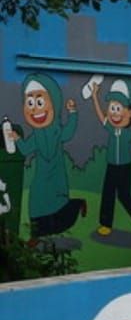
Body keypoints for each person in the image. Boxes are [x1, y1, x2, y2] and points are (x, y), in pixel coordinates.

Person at [19, 78, 84, 239]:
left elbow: (69, 132)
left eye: (40, 102)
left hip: (56, 176)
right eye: (30, 103)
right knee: (36, 200)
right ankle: (36, 234)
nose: (35, 109)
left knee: (58, 203)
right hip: (41, 177)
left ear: (54, 103)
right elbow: (25, 149)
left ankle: (77, 204)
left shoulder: (57, 131)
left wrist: (73, 113)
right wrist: (16, 138)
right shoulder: (36, 135)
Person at [91, 78, 131, 236]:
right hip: (112, 165)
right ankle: (106, 224)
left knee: (124, 195)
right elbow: (100, 116)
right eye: (112, 108)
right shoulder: (111, 129)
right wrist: (94, 96)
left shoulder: (127, 133)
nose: (114, 113)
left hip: (124, 166)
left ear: (129, 113)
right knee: (108, 193)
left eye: (118, 108)